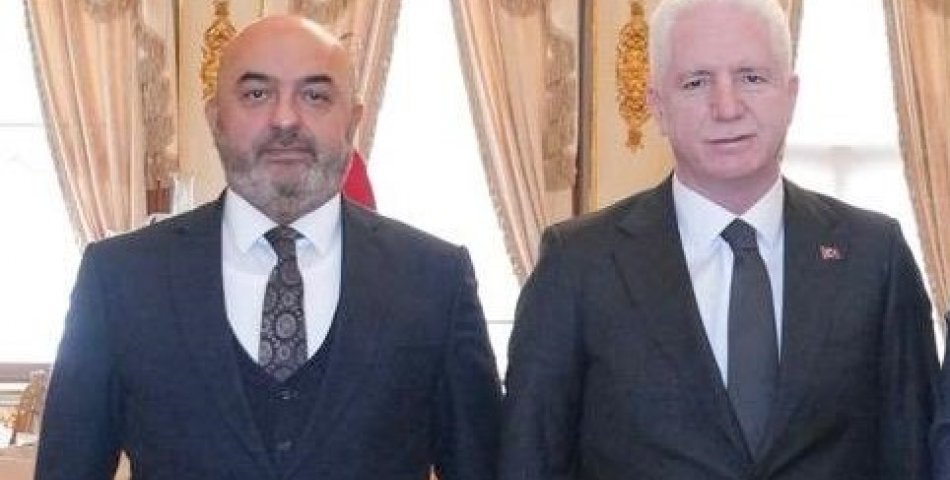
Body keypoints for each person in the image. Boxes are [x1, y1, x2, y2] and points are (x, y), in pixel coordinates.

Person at [36, 15, 501, 480]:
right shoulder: (119, 278)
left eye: (315, 96)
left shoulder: (435, 281)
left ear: (354, 121)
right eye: (256, 94)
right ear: (215, 119)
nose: (285, 119)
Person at [499, 0, 937, 478]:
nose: (727, 107)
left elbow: (913, 454)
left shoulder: (874, 256)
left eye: (751, 77)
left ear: (790, 95)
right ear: (657, 107)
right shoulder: (579, 264)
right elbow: (530, 460)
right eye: (696, 82)